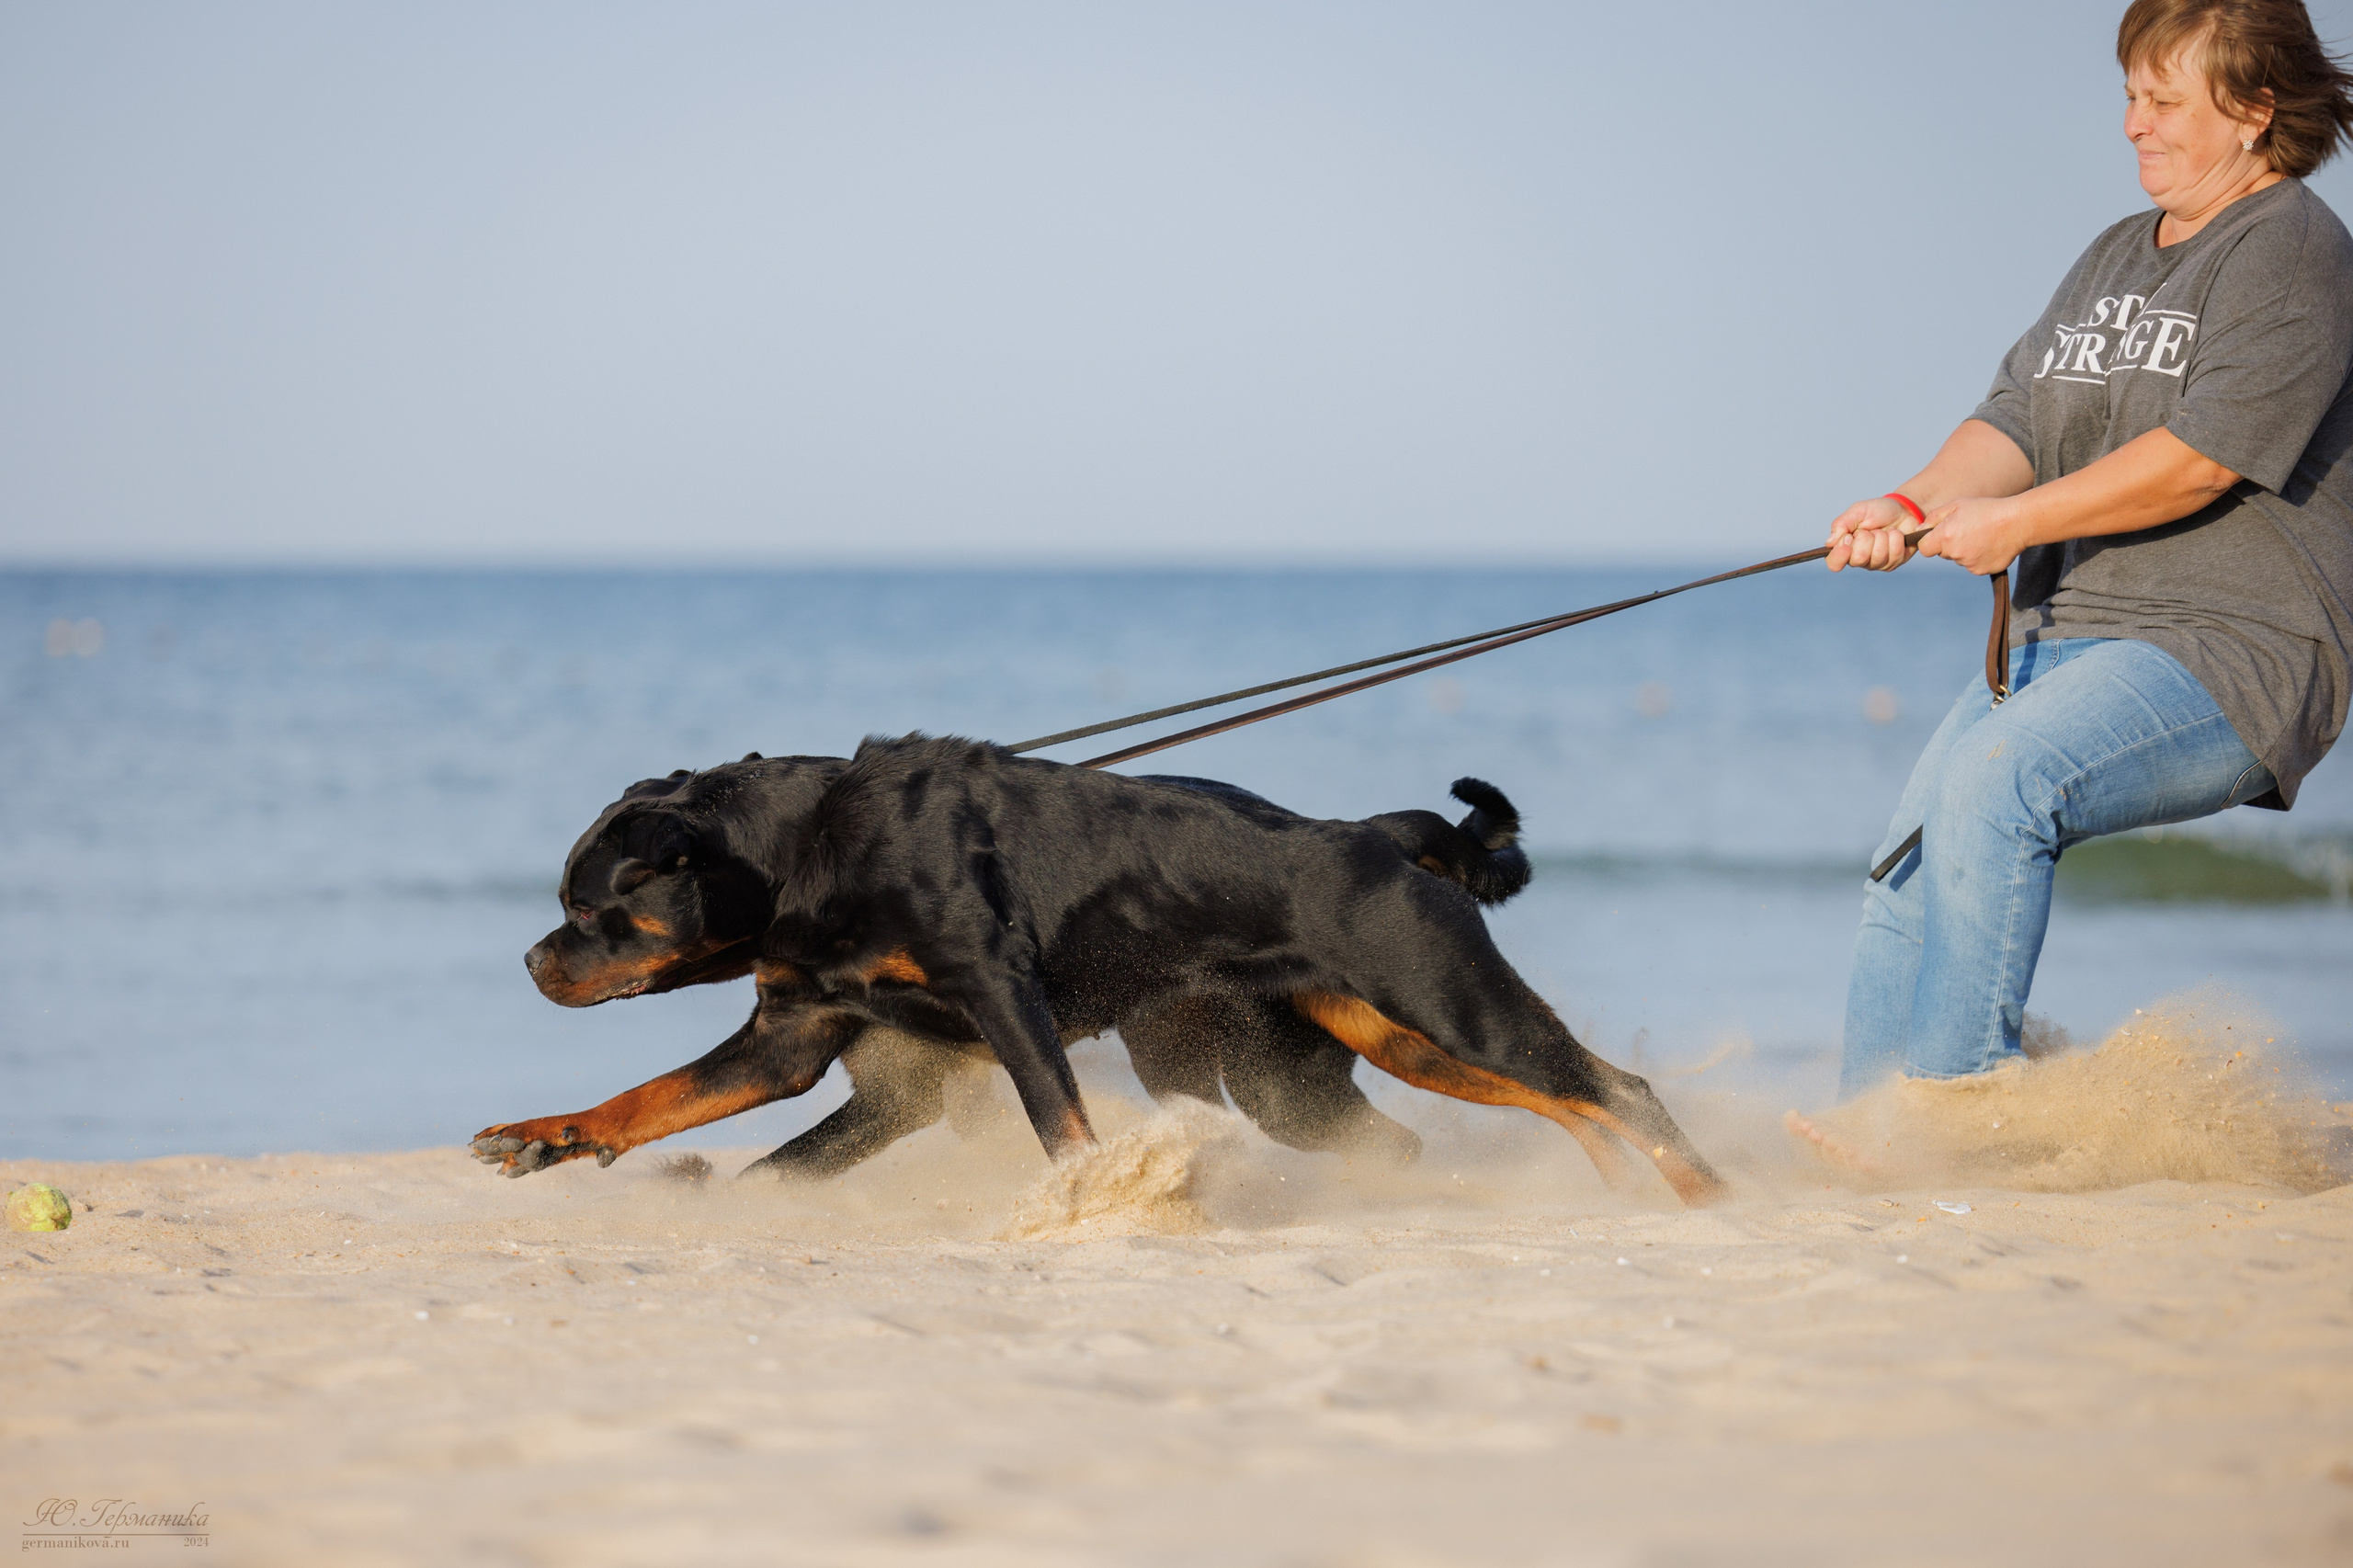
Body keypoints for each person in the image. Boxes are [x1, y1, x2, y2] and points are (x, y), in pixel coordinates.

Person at [1802, 0, 2353, 1119]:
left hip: (2232, 645)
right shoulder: (2113, 252)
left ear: (2254, 110)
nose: (2132, 125)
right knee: (1908, 856)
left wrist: (2018, 524)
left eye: (2162, 101)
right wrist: (1912, 501)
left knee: (1995, 782)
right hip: (2067, 635)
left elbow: (2200, 459)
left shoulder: (2295, 250)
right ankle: (1867, 1127)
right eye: (2128, 97)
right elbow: (2014, 419)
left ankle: (1955, 1115)